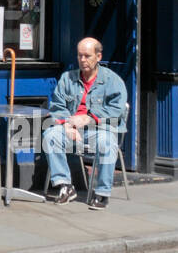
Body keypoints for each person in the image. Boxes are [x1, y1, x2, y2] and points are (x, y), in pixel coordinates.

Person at [43, 37, 126, 210]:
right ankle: (65, 186)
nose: (82, 60)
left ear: (98, 57)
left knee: (106, 142)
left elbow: (117, 111)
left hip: (99, 130)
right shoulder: (67, 78)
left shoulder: (112, 81)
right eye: (80, 55)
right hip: (73, 131)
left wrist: (90, 118)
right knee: (50, 135)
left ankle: (102, 193)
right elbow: (57, 106)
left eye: (87, 56)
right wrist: (67, 125)